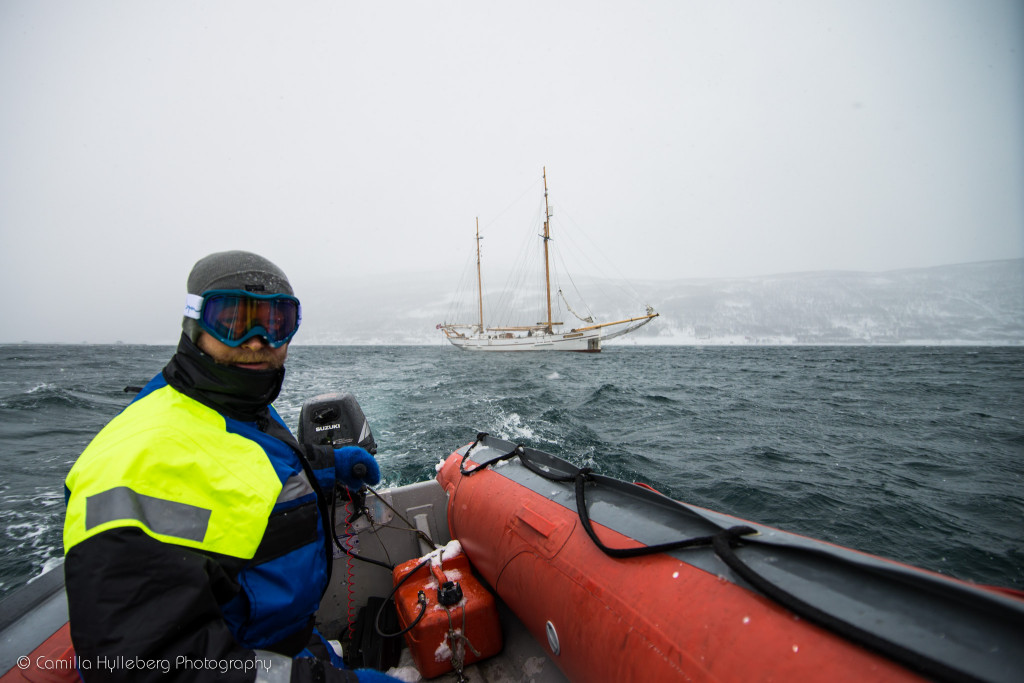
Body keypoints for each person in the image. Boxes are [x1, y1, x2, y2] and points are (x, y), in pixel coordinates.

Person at [63, 251, 400, 682]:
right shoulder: (136, 463)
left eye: (276, 322)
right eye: (234, 320)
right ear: (194, 322)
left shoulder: (236, 403)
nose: (257, 340)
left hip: (287, 642)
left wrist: (327, 464)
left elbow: (242, 469)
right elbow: (149, 669)